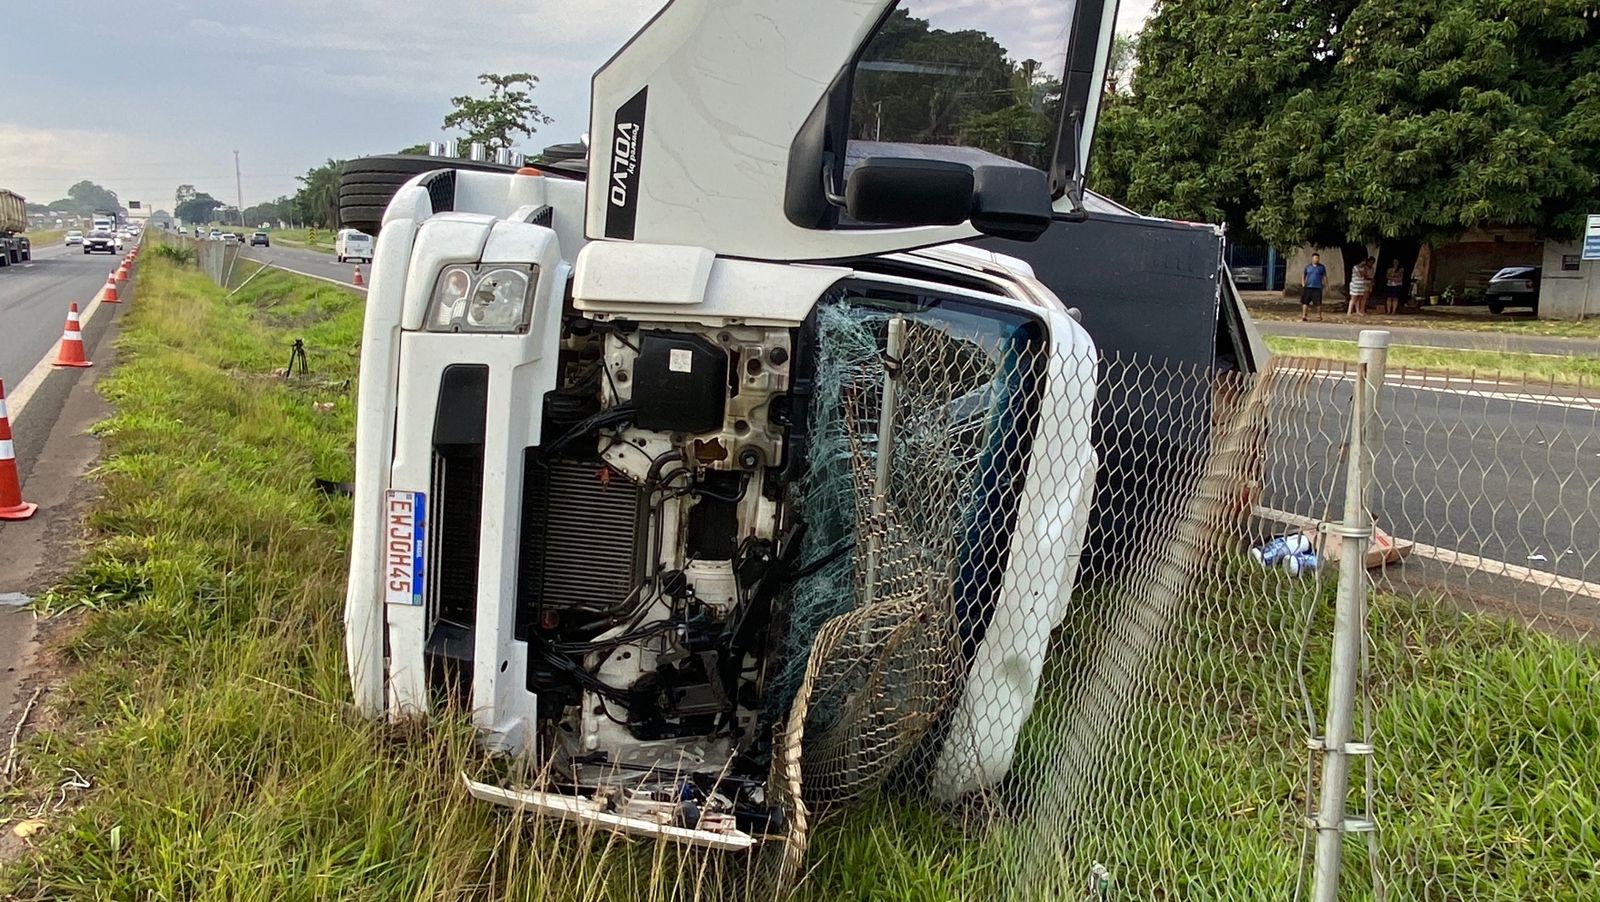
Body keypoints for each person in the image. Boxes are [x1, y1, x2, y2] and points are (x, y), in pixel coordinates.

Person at [1301, 253, 1327, 322]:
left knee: (1318, 303)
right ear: (1312, 259)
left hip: (1318, 287)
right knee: (1305, 302)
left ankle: (1319, 316)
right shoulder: (1308, 267)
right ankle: (1304, 316)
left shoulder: (1321, 267)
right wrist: (1303, 283)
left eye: (1318, 258)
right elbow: (1303, 275)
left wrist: (1326, 285)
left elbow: (1324, 277)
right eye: (1315, 258)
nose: (1316, 260)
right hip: (1308, 287)